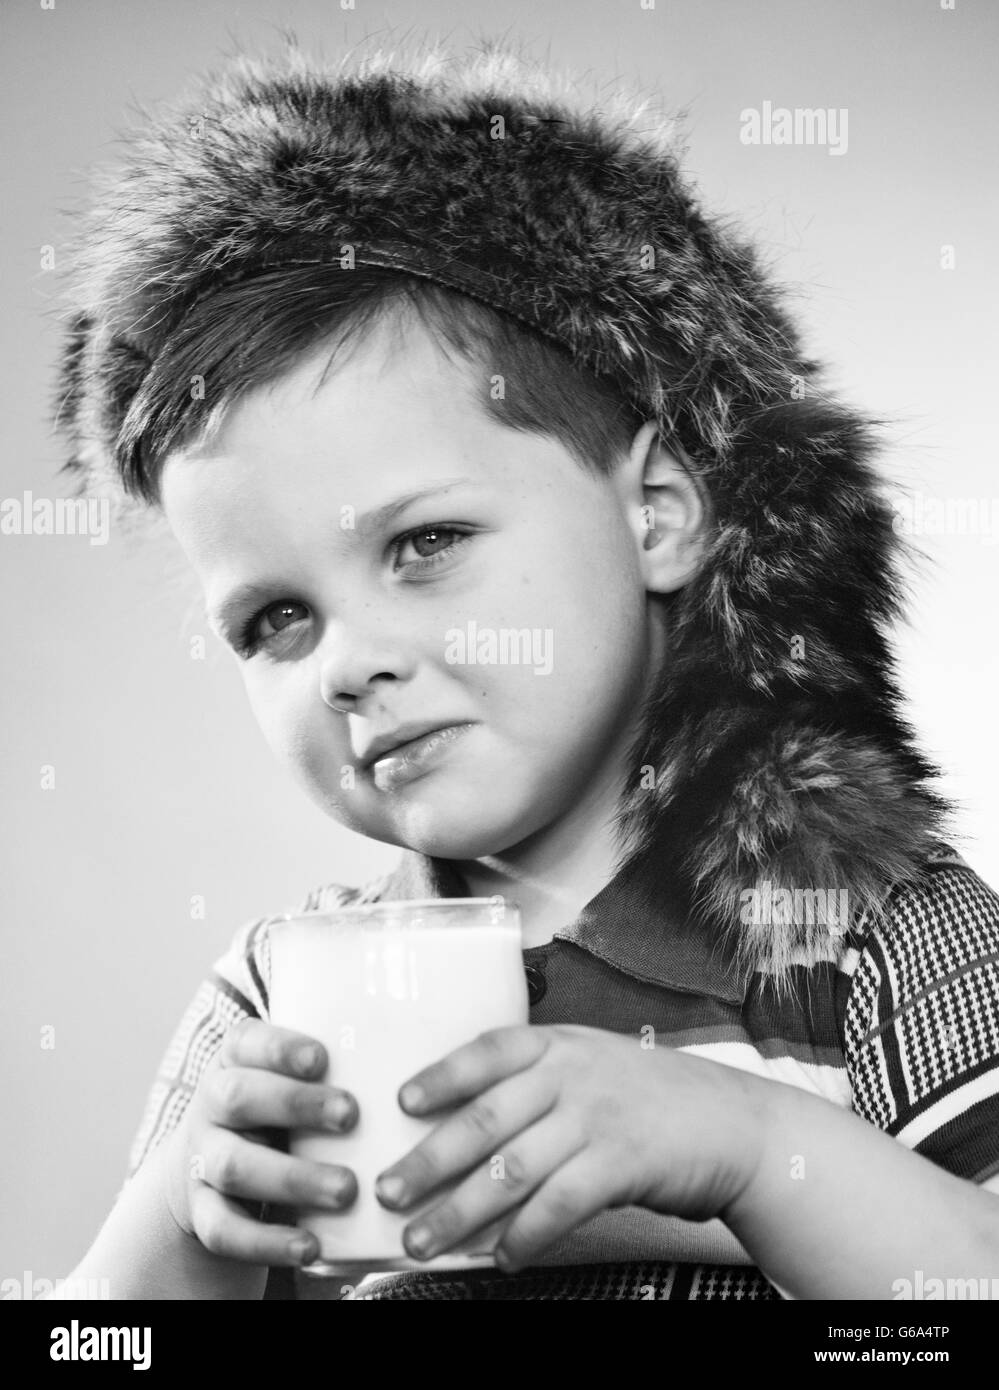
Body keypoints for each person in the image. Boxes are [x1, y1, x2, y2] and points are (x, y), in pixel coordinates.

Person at [50, 38, 999, 1301]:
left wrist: (754, 1149)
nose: (350, 662)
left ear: (657, 512)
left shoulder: (874, 937)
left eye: (426, 543)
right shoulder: (280, 999)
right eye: (277, 619)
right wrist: (178, 1219)